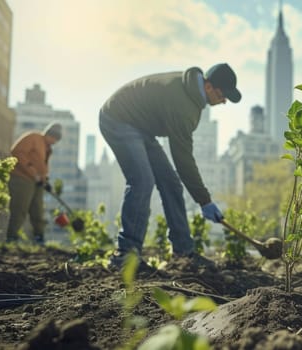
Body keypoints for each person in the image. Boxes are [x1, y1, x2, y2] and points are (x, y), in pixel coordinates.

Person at [99, 63, 241, 269]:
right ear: (208, 87)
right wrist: (204, 200)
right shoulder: (183, 105)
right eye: (222, 95)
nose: (224, 101)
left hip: (141, 128)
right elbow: (183, 160)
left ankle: (183, 251)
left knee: (171, 183)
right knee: (142, 181)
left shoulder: (191, 93)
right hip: (118, 118)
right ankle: (125, 256)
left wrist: (203, 201)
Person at [6, 122, 63, 244]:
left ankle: (39, 238)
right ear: (48, 134)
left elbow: (41, 165)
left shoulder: (47, 148)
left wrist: (44, 179)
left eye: (57, 140)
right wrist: (33, 173)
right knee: (20, 208)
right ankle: (11, 238)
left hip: (36, 182)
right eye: (54, 138)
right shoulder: (34, 138)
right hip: (22, 179)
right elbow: (17, 152)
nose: (54, 142)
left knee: (38, 210)